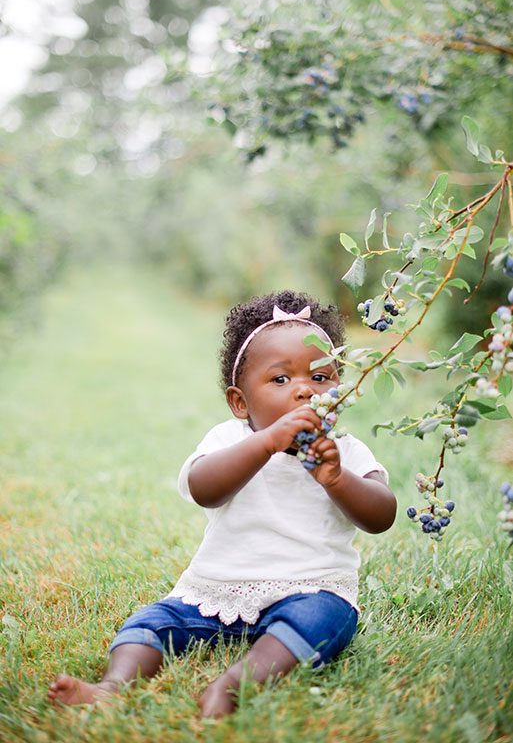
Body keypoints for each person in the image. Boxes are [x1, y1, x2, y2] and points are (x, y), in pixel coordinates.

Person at [48, 290, 396, 718]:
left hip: (310, 588)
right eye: (280, 379)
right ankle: (112, 686)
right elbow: (203, 488)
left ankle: (235, 685)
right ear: (240, 402)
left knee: (324, 620)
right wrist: (266, 443)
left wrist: (337, 479)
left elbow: (382, 515)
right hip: (218, 591)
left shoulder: (344, 450)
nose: (305, 390)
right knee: (152, 621)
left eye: (321, 377)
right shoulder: (230, 440)